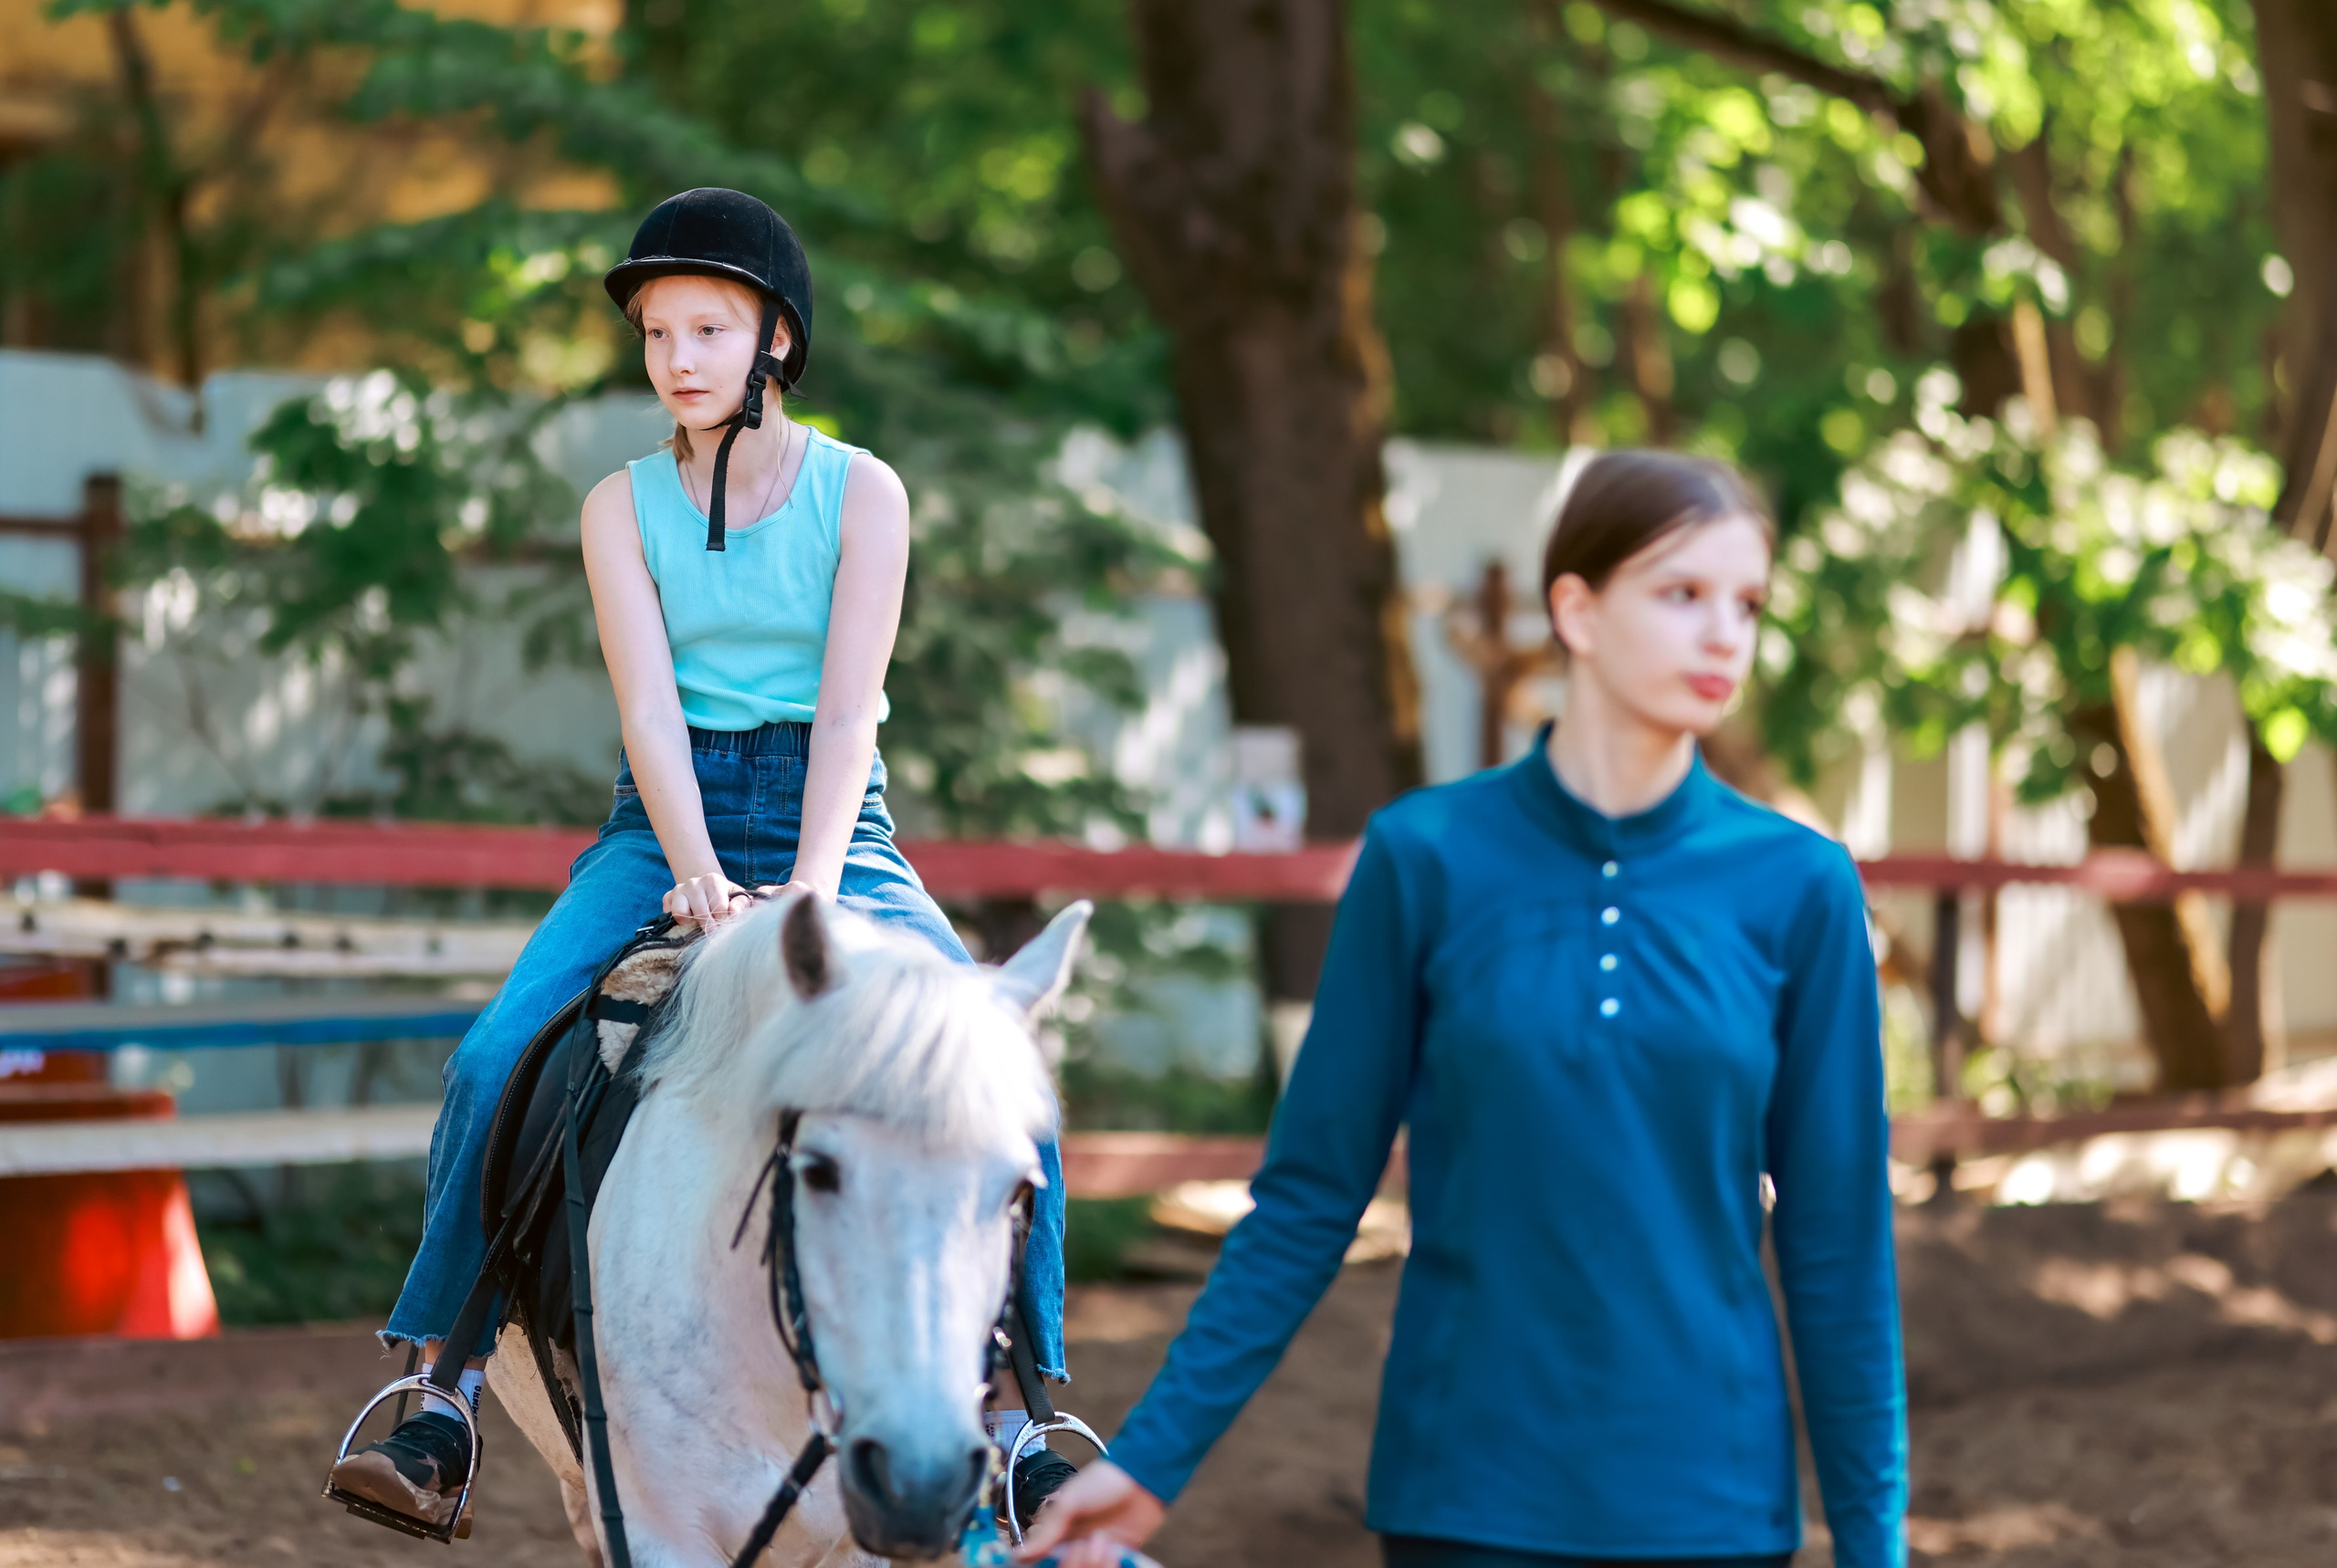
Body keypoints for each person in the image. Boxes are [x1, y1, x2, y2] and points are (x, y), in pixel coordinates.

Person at [329, 187, 1078, 1535]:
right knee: (497, 1050)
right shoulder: (619, 506)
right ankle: (439, 1382)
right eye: (658, 332)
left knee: (988, 1064)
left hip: (833, 817)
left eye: (709, 328)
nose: (677, 357)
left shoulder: (868, 493)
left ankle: (1023, 1408)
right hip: (661, 816)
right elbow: (650, 712)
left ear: (775, 340)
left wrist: (799, 890)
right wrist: (691, 868)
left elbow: (848, 711)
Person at [1022, 451, 1907, 1568]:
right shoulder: (1424, 857)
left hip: (1713, 1506)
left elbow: (1839, 1247)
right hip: (1464, 1500)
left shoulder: (1800, 885)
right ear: (1575, 609)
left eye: (1747, 603)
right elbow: (1307, 1201)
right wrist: (1149, 1460)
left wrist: (1874, 1546)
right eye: (1682, 594)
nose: (1725, 633)